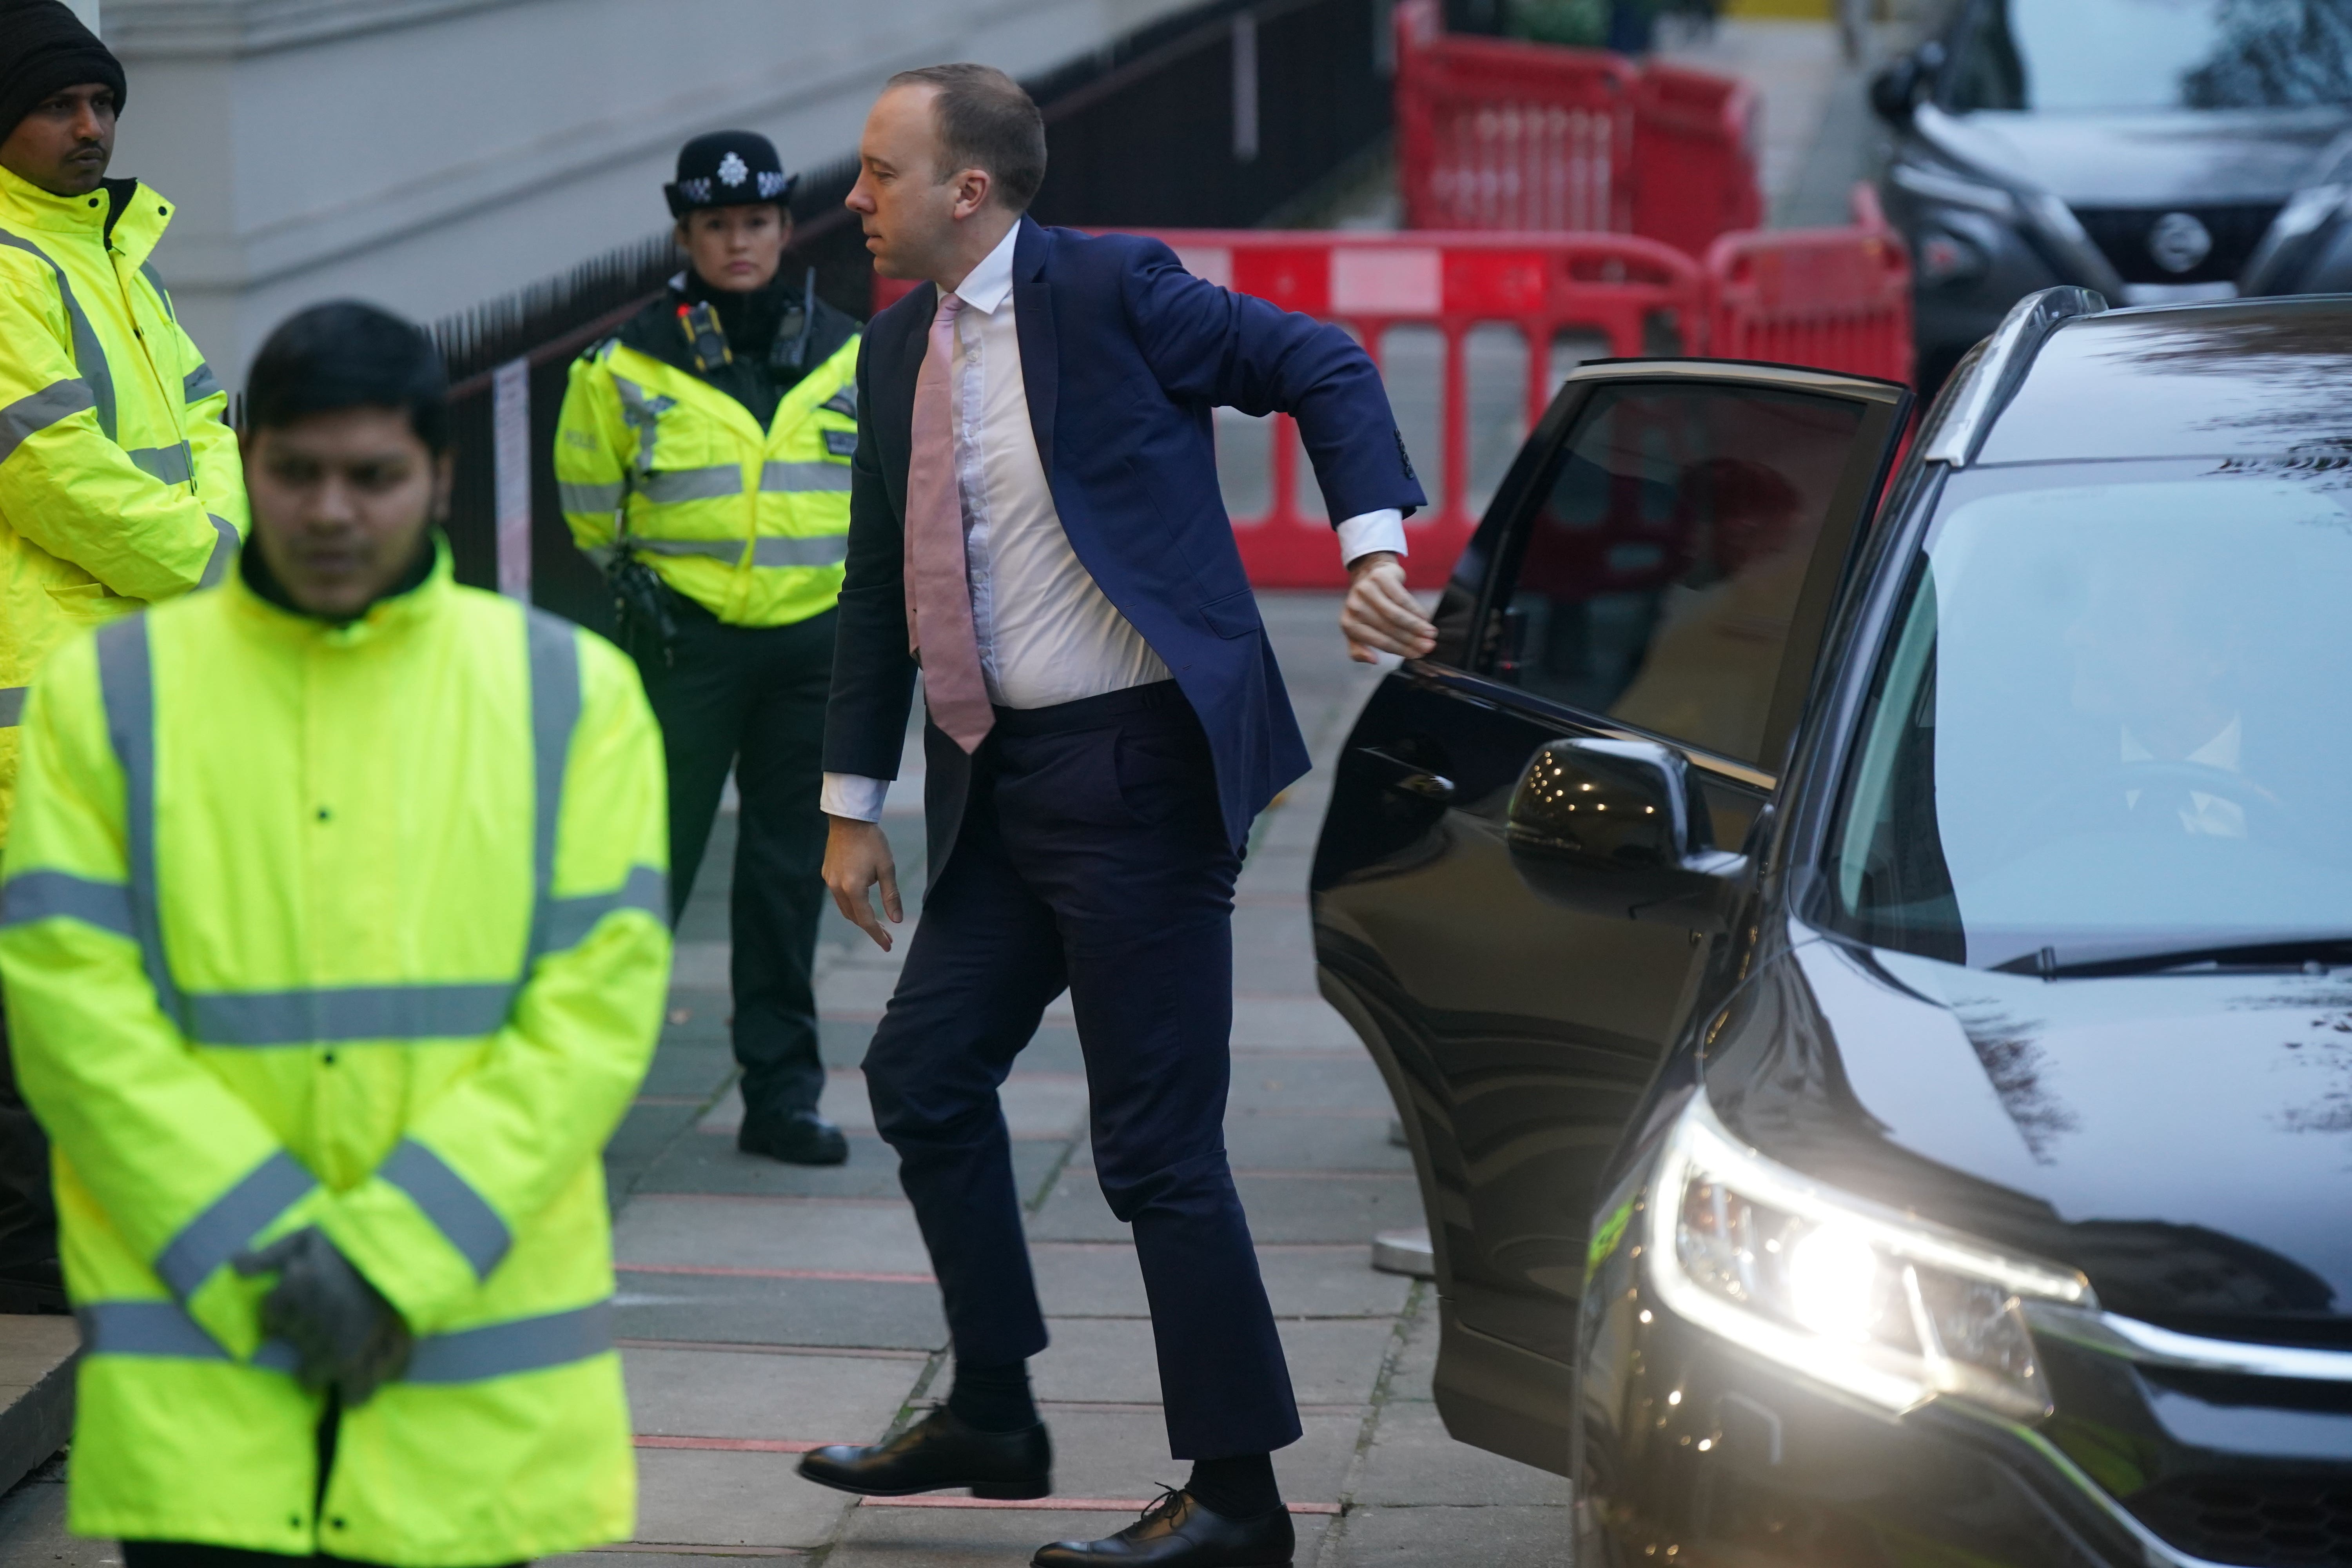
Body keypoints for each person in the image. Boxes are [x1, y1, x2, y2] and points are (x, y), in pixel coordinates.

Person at [796, 64, 1437, 1568]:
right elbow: (878, 588)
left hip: (1142, 774)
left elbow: (1323, 364)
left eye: (880, 172)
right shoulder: (897, 355)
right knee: (923, 1075)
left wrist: (1370, 550)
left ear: (969, 189)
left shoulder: (1114, 290)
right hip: (1001, 782)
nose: (854, 198)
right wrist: (849, 803)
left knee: (1157, 1151)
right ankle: (997, 1412)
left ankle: (1239, 1500)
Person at [0, 301, 670, 1566]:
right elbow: (73, 1010)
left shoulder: (570, 697)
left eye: (374, 477)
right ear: (248, 464)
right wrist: (273, 1250)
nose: (328, 512)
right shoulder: (114, 694)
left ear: (441, 476)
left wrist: (383, 1258)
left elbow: (593, 1013)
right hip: (215, 1389)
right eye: (295, 472)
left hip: (456, 1385)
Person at [0, 0, 248, 1314]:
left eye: (103, 105)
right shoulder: (7, 264)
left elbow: (210, 415)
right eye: (60, 107)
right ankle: (37, 1264)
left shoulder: (110, 255)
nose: (91, 128)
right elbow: (47, 472)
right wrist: (213, 556)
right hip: (40, 694)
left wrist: (220, 528)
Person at [557, 129, 862, 1167]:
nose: (741, 243)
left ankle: (782, 1098)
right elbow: (591, 509)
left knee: (785, 879)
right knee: (644, 868)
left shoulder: (849, 352)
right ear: (686, 235)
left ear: (786, 228)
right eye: (719, 226)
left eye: (758, 223)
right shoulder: (626, 363)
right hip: (683, 643)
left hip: (808, 647)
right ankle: (576, 1096)